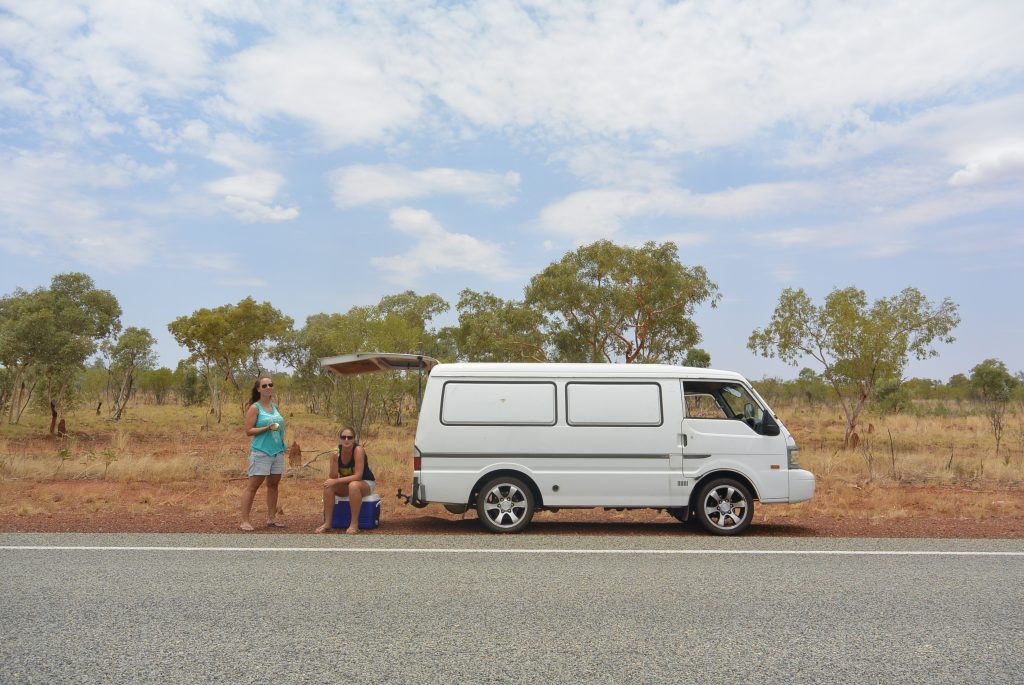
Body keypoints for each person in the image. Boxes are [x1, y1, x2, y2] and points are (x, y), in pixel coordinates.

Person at [240, 376, 286, 531]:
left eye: (270, 385)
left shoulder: (274, 406)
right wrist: (266, 428)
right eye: (264, 385)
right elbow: (248, 430)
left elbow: (280, 428)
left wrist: (282, 444)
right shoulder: (255, 408)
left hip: (277, 452)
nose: (268, 387)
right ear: (259, 389)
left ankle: (271, 518)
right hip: (261, 452)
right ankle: (244, 521)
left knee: (273, 485)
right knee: (253, 486)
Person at [315, 427, 376, 534]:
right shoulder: (336, 451)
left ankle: (354, 524)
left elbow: (358, 476)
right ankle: (328, 523)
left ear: (354, 439)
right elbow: (333, 477)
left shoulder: (358, 450)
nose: (346, 440)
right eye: (343, 437)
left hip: (365, 483)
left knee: (353, 485)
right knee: (328, 486)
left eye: (349, 437)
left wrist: (336, 481)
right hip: (347, 484)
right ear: (340, 439)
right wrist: (334, 461)